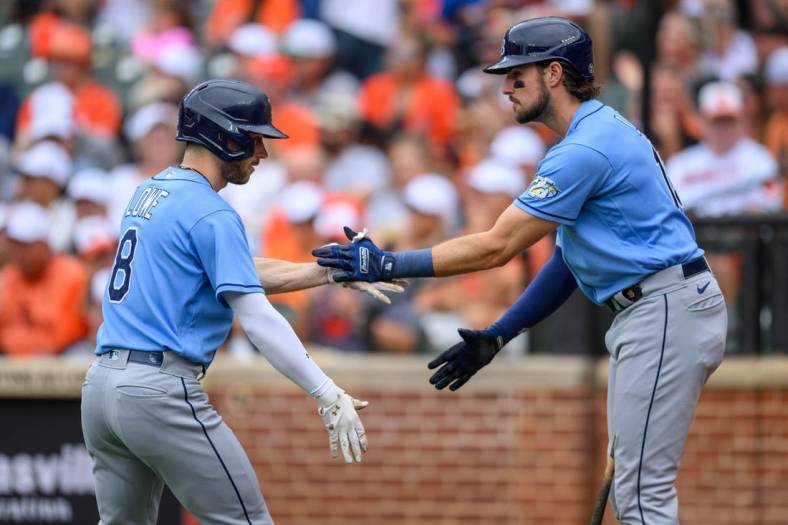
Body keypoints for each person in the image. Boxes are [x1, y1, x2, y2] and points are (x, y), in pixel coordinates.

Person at [313, 17, 727, 524]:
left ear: (554, 74)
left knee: (641, 493)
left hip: (663, 308)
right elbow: (568, 262)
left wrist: (388, 263)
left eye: (518, 74)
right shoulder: (593, 132)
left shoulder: (583, 149)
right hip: (659, 308)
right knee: (631, 485)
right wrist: (500, 333)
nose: (506, 86)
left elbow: (497, 246)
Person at [81, 79, 398, 525]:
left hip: (100, 388)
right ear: (222, 135)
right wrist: (325, 392)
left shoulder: (151, 190)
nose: (262, 153)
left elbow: (234, 270)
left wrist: (326, 271)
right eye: (253, 139)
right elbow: (257, 317)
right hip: (158, 389)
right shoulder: (212, 211)